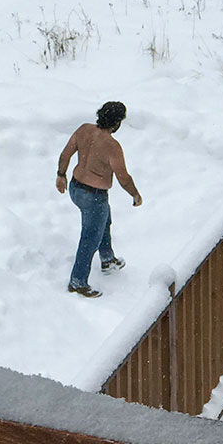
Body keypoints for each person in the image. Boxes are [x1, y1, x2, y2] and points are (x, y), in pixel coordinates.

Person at [56, 101, 142, 298]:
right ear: (117, 123)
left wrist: (61, 175)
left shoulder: (84, 130)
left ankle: (108, 259)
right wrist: (135, 194)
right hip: (93, 196)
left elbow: (65, 154)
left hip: (75, 188)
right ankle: (77, 282)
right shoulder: (112, 146)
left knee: (104, 220)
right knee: (89, 239)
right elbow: (123, 177)